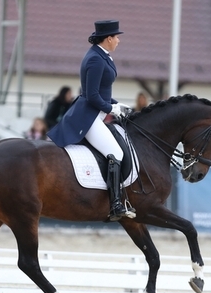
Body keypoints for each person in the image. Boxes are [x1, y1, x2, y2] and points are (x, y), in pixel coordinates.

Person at [47, 20, 135, 221]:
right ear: (108, 38)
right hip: (89, 118)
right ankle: (115, 204)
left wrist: (117, 104)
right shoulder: (95, 59)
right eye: (117, 37)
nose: (119, 41)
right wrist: (111, 108)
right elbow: (92, 95)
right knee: (116, 154)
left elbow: (101, 93)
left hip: (98, 113)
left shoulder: (102, 56)